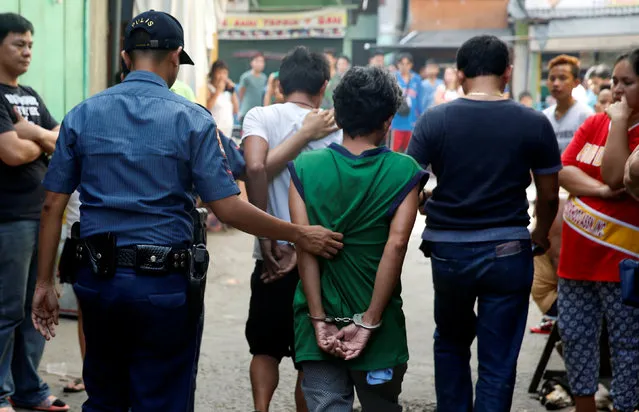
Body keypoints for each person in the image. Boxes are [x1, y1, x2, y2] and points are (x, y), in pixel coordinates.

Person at [31, 11, 343, 412]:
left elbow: (52, 204)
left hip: (97, 284)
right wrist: (298, 234)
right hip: (163, 288)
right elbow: (227, 208)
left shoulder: (82, 114)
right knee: (161, 398)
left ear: (126, 57)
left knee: (105, 394)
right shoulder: (192, 118)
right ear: (175, 57)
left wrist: (44, 284)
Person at [407, 35, 561, 410]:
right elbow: (550, 195)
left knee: (451, 344)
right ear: (507, 72)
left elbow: (406, 185)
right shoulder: (533, 122)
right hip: (508, 250)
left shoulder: (434, 120)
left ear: (460, 74)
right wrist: (539, 235)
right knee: (497, 360)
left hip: (449, 254)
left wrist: (427, 199)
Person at [288, 65, 426, 412]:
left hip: (316, 326)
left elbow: (304, 246)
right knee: (382, 405)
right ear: (388, 120)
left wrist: (319, 320)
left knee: (326, 405)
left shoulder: (303, 169)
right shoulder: (405, 172)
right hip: (380, 328)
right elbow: (395, 247)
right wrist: (368, 322)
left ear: (339, 114)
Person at [242, 45, 342, 412]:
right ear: (324, 86)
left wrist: (266, 235)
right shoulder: (334, 126)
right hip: (318, 257)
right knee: (310, 355)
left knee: (265, 348)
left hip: (270, 257)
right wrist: (303, 135)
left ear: (280, 85)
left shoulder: (260, 115)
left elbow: (254, 169)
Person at [556, 51, 639, 412]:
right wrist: (604, 193)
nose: (616, 89)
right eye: (614, 82)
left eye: (627, 82)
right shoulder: (594, 124)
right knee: (575, 339)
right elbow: (563, 170)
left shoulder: (617, 124)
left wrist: (619, 124)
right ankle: (584, 405)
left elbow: (615, 173)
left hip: (622, 261)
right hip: (576, 260)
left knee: (626, 345)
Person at [0, 13, 69, 412]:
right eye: (17, 44)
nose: (27, 52)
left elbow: (62, 143)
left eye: (30, 45)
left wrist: (36, 135)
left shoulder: (30, 94)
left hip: (41, 217)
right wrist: (44, 142)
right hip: (8, 220)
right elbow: (9, 153)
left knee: (36, 308)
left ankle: (29, 389)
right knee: (6, 310)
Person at [543, 55, 594, 153]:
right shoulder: (544, 117)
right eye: (552, 78)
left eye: (562, 78)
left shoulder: (586, 115)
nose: (556, 84)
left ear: (576, 82)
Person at [390, 53, 423, 153]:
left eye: (407, 64)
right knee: (394, 151)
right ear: (398, 64)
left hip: (412, 121)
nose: (404, 66)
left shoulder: (417, 79)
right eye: (402, 63)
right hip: (396, 121)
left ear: (411, 65)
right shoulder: (393, 77)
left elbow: (419, 100)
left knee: (410, 152)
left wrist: (420, 118)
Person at [206, 60, 238, 137]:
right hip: (214, 133)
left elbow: (236, 110)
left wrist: (232, 91)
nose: (222, 76)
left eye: (225, 73)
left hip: (227, 134)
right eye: (219, 72)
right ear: (213, 73)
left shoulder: (227, 91)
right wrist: (218, 90)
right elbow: (207, 108)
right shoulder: (208, 88)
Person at [239, 52, 267, 120]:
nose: (259, 64)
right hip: (246, 112)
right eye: (257, 61)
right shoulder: (245, 77)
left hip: (259, 113)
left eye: (262, 61)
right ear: (251, 62)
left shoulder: (264, 77)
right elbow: (241, 94)